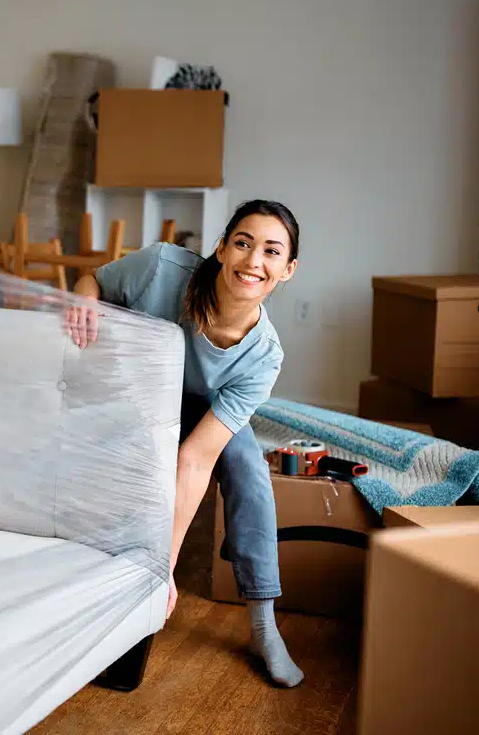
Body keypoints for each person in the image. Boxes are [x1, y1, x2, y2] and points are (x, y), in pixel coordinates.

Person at [64, 200, 304, 688]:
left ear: (287, 270)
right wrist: (83, 299)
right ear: (220, 247)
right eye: (243, 243)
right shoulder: (160, 268)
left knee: (249, 467)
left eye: (271, 252)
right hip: (135, 393)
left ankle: (262, 621)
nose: (253, 260)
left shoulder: (264, 357)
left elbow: (195, 459)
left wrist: (163, 565)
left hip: (201, 412)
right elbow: (95, 279)